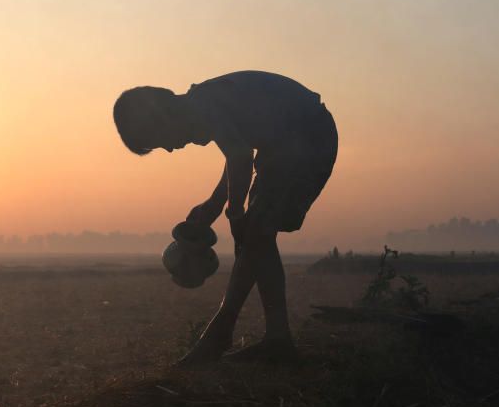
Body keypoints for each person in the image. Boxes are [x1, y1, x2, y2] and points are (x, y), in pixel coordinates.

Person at [113, 70, 338, 364]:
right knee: (256, 236)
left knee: (256, 232)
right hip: (286, 144)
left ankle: (234, 335)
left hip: (307, 137)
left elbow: (241, 156)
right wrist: (215, 203)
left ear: (163, 117)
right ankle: (266, 338)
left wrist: (233, 212)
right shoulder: (205, 101)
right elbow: (237, 150)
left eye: (160, 141)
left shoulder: (203, 104)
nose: (169, 149)